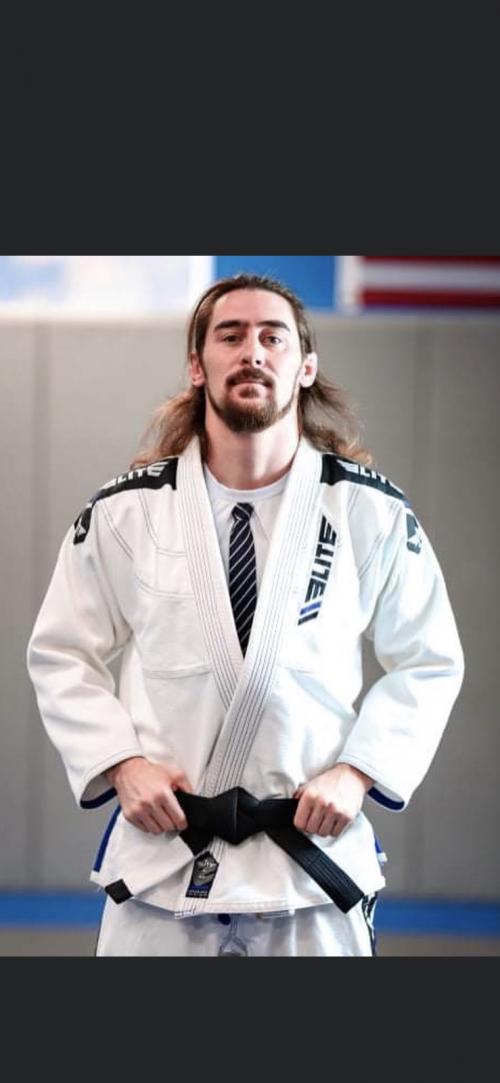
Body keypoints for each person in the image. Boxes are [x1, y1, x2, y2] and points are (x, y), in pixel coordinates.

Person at [26, 272, 464, 957]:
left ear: (306, 366)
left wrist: (357, 771)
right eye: (230, 336)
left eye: (273, 337)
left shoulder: (368, 511)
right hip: (165, 863)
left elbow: (430, 658)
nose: (252, 351)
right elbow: (60, 652)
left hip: (309, 868)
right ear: (198, 366)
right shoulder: (126, 513)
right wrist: (120, 763)